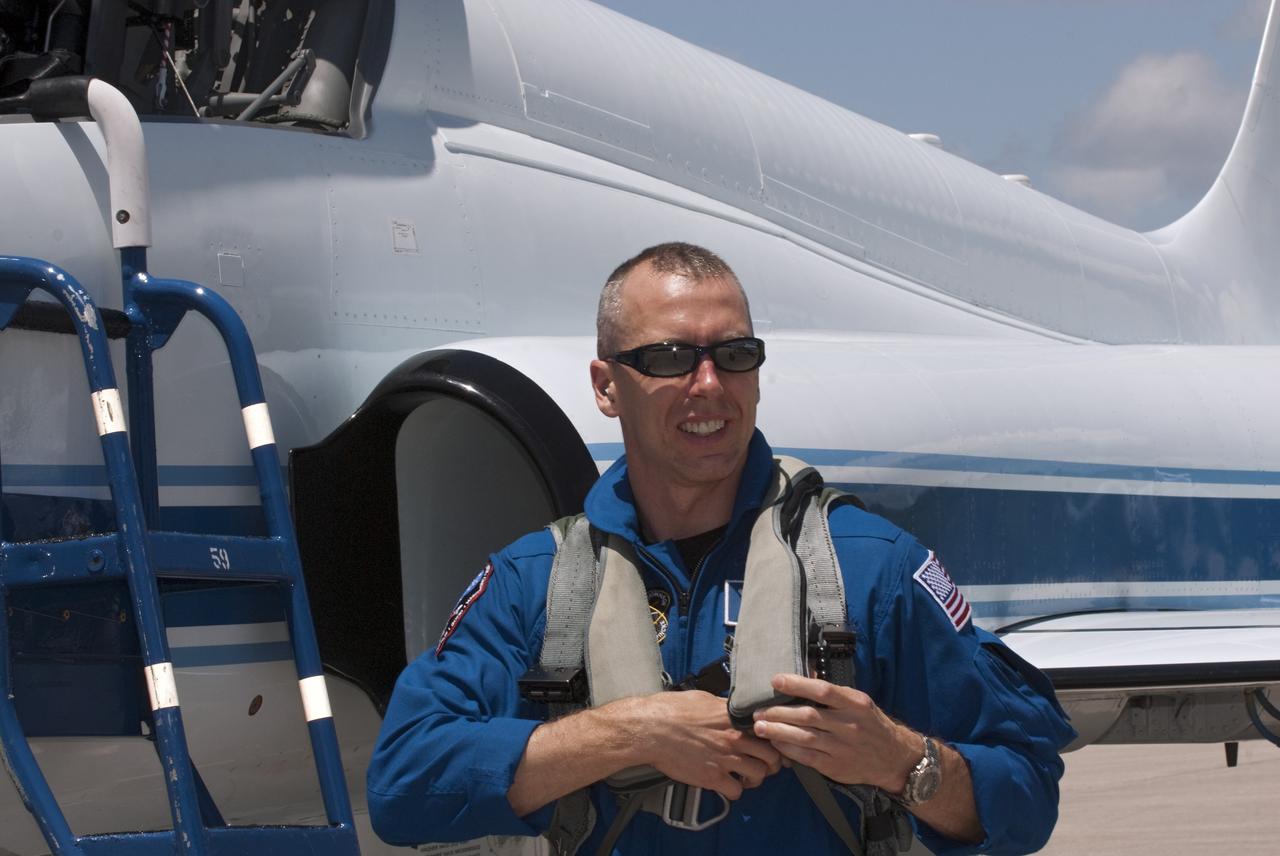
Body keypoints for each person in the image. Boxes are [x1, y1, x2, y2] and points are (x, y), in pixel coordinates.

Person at [367, 242, 1075, 855]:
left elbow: (1025, 792)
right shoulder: (535, 584)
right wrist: (629, 733)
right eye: (670, 358)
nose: (709, 386)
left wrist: (899, 759)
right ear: (606, 387)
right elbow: (403, 784)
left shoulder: (870, 569)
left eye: (734, 355)